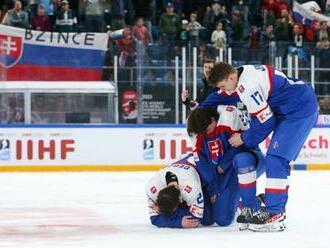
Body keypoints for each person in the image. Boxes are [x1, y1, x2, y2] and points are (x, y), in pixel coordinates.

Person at [203, 62, 318, 232]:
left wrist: (243, 138)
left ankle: (275, 214)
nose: (226, 91)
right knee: (275, 158)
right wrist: (199, 106)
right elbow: (224, 94)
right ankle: (271, 206)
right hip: (293, 105)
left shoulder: (247, 87)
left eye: (223, 85)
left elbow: (266, 122)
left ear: (231, 77)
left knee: (276, 159)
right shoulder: (240, 71)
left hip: (298, 109)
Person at [187, 105, 265, 230]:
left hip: (241, 167)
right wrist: (213, 188)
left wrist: (224, 164)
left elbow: (243, 144)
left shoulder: (229, 117)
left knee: (223, 220)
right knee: (208, 218)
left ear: (213, 119)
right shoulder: (198, 133)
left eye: (206, 130)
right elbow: (203, 165)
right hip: (222, 175)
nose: (205, 134)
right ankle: (242, 201)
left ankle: (249, 203)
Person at [145, 153, 209, 228]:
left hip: (197, 170)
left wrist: (165, 215)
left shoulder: (192, 189)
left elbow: (195, 219)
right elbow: (155, 219)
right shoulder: (153, 188)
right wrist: (179, 222)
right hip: (178, 168)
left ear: (178, 204)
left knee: (207, 219)